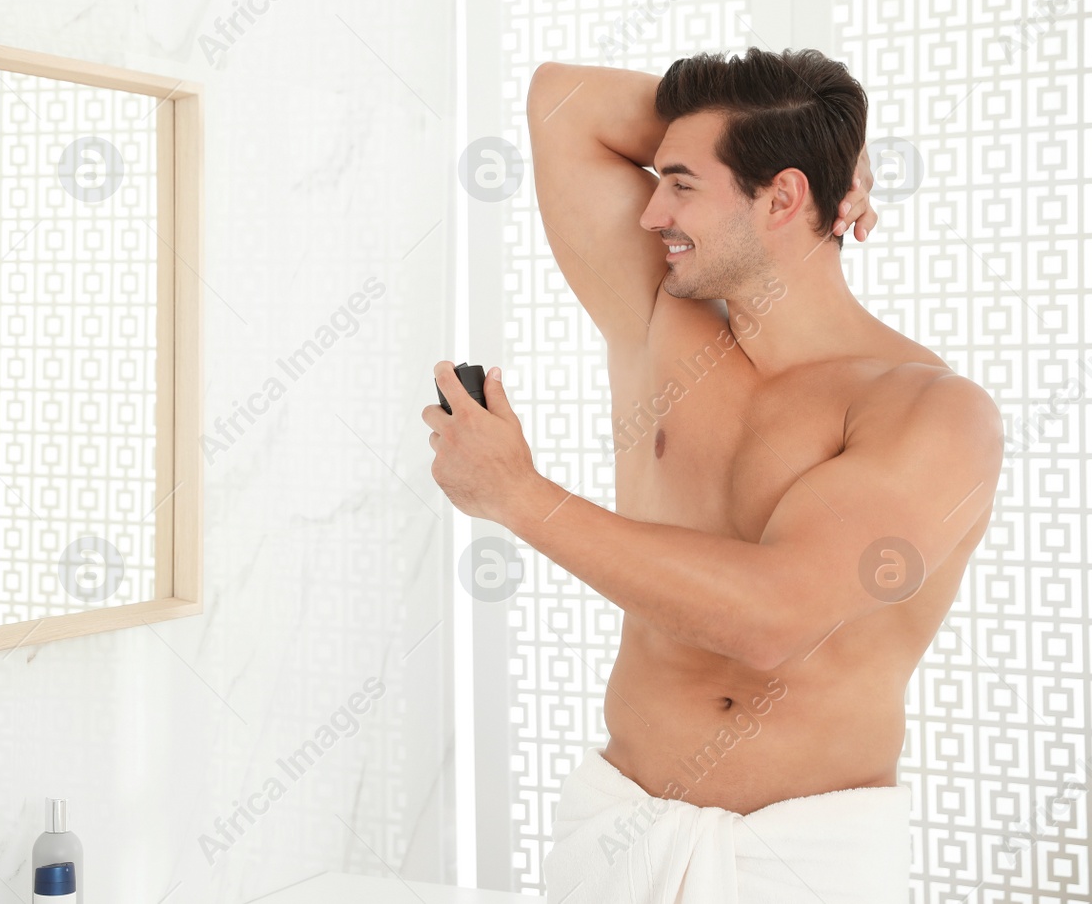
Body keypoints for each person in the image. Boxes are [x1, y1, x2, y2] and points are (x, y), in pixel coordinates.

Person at [424, 48, 1004, 901]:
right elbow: (562, 102)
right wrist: (837, 141)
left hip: (805, 859)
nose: (652, 209)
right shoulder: (666, 324)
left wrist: (519, 496)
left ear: (783, 197)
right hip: (620, 831)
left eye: (682, 184)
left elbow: (775, 616)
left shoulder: (932, 410)